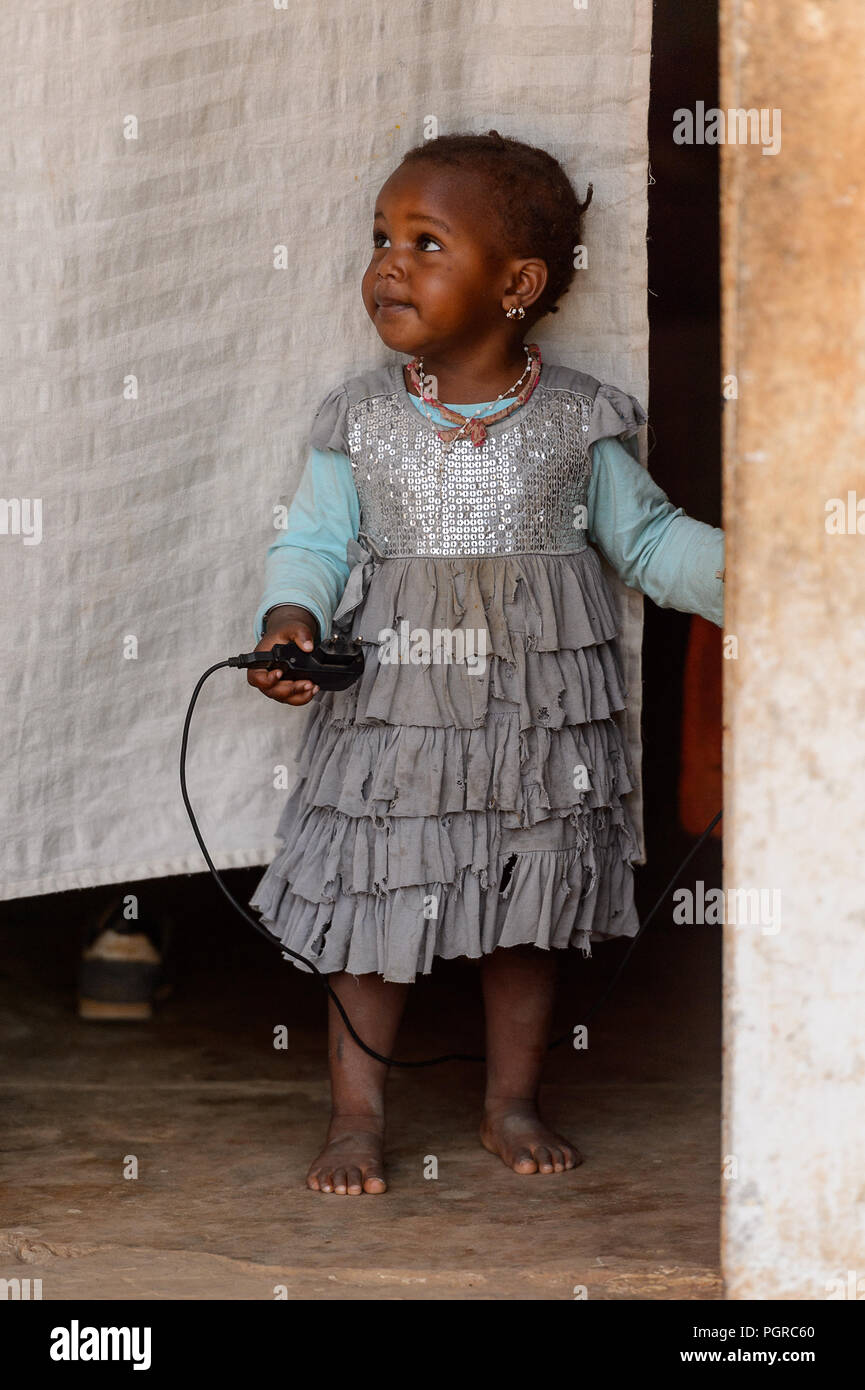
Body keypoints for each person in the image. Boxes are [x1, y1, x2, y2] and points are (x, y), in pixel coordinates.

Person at [246, 131, 724, 1196]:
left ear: (517, 285)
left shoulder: (578, 419)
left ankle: (510, 1101)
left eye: (425, 243)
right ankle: (355, 1115)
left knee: (527, 910)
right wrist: (290, 620)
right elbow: (313, 545)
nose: (388, 264)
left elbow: (649, 545)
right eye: (381, 238)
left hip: (536, 723)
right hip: (399, 720)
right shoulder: (363, 419)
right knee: (374, 901)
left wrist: (772, 580)